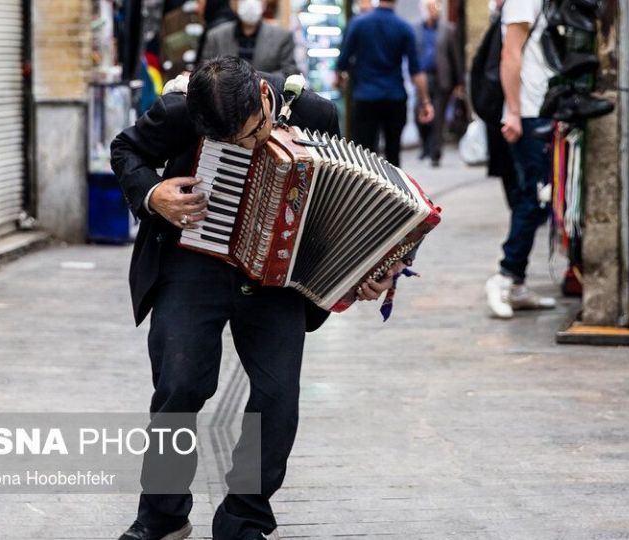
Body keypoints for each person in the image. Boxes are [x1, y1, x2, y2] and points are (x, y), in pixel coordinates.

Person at [110, 56, 402, 540]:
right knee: (179, 385)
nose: (250, 145)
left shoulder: (315, 114)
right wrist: (153, 193)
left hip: (277, 276)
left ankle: (244, 516)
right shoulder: (181, 109)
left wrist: (376, 269)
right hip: (193, 260)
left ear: (264, 100)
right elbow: (127, 151)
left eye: (254, 132)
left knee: (276, 396)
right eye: (233, 143)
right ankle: (163, 515)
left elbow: (360, 204)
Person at [484, 0, 558, 319]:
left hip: (539, 110)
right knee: (532, 197)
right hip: (527, 114)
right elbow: (510, 54)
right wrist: (513, 112)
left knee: (538, 199)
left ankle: (516, 281)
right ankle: (505, 276)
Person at [336, 0, 434, 167]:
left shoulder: (358, 24)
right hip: (394, 98)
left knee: (364, 153)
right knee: (393, 154)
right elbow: (416, 71)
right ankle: (392, 191)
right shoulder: (404, 27)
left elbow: (342, 63)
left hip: (365, 98)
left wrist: (340, 82)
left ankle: (365, 191)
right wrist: (425, 102)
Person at [414, 0, 464, 167]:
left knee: (438, 118)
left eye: (435, 7)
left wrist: (459, 82)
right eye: (429, 7)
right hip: (422, 78)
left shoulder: (448, 29)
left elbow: (455, 56)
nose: (433, 10)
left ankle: (435, 153)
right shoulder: (417, 29)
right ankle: (426, 146)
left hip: (442, 79)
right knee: (418, 113)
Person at [200, 0, 299, 77]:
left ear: (264, 3)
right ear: (232, 3)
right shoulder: (215, 36)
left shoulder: (282, 36)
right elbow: (205, 71)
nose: (250, 2)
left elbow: (289, 72)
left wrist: (259, 80)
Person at [194, 0, 239, 65]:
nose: (197, 8)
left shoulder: (214, 30)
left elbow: (201, 67)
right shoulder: (230, 19)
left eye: (199, 3)